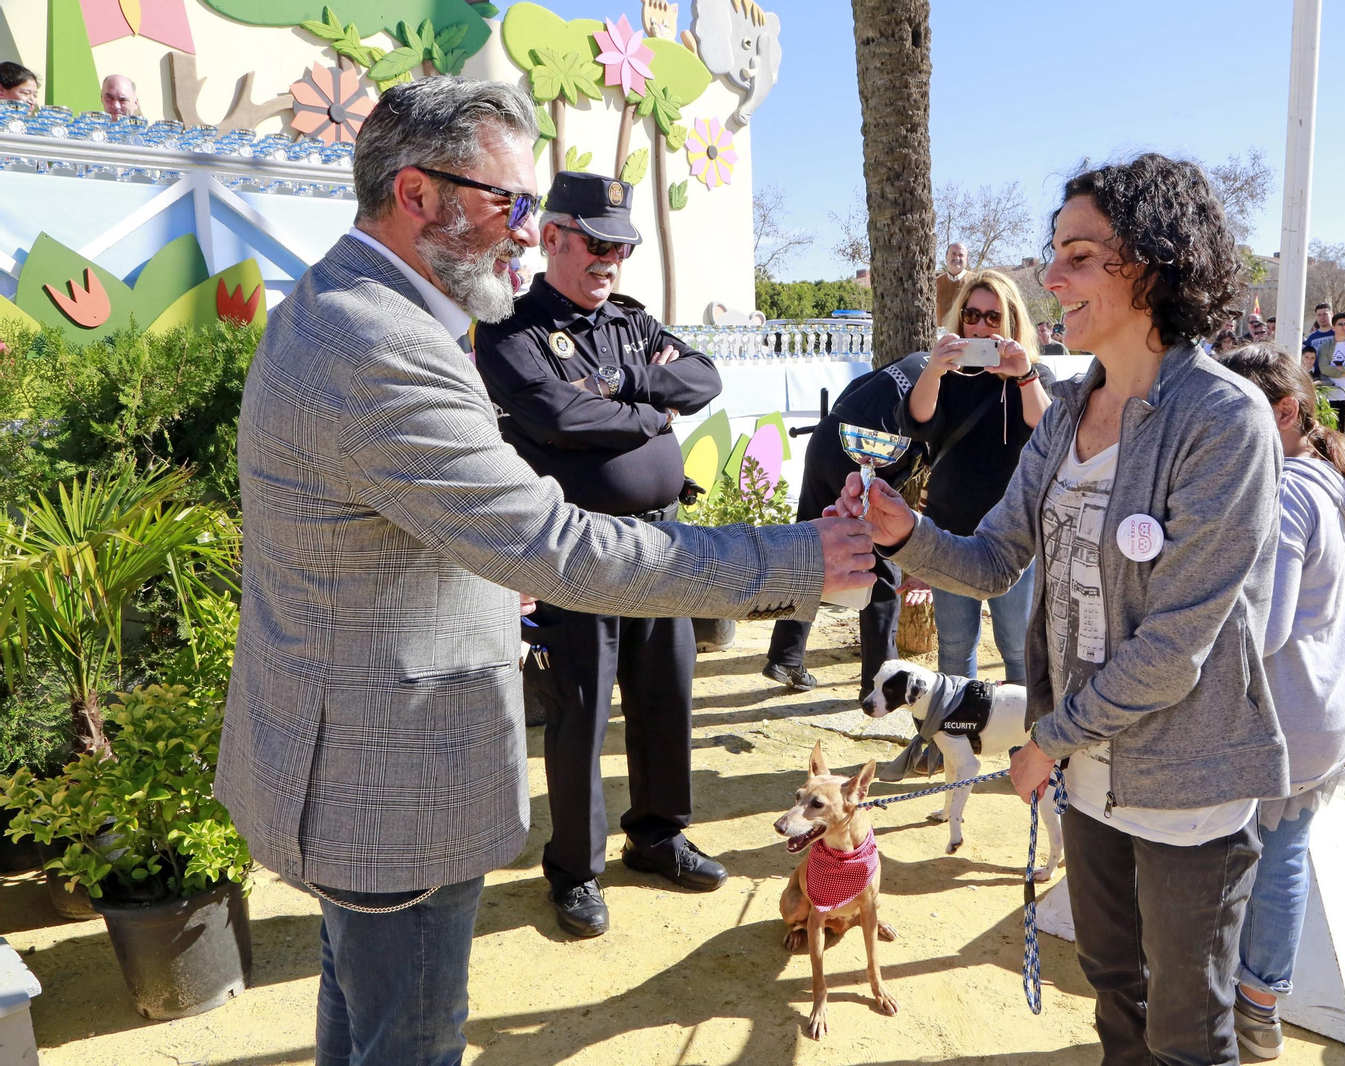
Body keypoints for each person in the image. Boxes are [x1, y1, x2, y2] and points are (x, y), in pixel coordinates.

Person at [216, 78, 876, 1066]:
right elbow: (561, 544)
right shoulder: (379, 340)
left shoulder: (352, 303)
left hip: (355, 759)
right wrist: (802, 557)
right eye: (510, 203)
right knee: (408, 1042)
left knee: (360, 1024)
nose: (528, 233)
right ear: (416, 194)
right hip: (387, 783)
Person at [840, 153, 1289, 1065]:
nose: (1050, 277)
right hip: (1086, 776)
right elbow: (996, 558)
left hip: (1184, 787)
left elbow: (1174, 646)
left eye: (1081, 255)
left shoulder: (1223, 419)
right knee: (1113, 990)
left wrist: (1048, 737)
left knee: (1186, 1029)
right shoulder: (1066, 410)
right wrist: (902, 531)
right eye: (1055, 253)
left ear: (1154, 267)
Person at [474, 170, 736, 939]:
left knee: (667, 696)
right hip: (576, 549)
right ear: (552, 237)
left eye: (620, 247)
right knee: (580, 714)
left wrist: (627, 384)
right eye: (595, 243)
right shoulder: (512, 330)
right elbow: (554, 414)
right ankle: (576, 871)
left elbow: (704, 377)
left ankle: (658, 836)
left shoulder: (629, 322)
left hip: (660, 542)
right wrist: (651, 418)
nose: (609, 260)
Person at [1213, 345, 1345, 1060]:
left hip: (1290, 716)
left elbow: (1268, 625)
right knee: (1283, 851)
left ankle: (1250, 1004)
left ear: (1284, 412)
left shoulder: (1285, 490)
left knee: (1266, 857)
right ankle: (1256, 1003)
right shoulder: (1327, 474)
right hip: (1328, 704)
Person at [900, 268, 1054, 684]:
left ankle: (1024, 744)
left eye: (992, 316)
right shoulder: (947, 375)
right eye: (972, 315)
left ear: (1011, 321)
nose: (981, 326)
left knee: (1018, 649)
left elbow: (1050, 432)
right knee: (955, 645)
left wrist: (1022, 374)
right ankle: (956, 740)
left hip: (1016, 536)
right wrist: (933, 369)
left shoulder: (1035, 375)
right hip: (952, 532)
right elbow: (916, 421)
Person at [763, 354, 930, 697]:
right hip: (865, 455)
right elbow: (941, 477)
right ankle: (879, 683)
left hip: (830, 435)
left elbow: (858, 386)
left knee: (811, 550)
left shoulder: (921, 360)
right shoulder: (958, 385)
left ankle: (786, 655)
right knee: (880, 566)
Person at [1312, 312, 1345, 429]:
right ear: (1333, 327)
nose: (1344, 327)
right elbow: (1324, 368)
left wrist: (1339, 369)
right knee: (1330, 429)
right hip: (1330, 394)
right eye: (1340, 324)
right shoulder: (1325, 346)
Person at [934, 241, 971, 323]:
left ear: (967, 259)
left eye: (961, 255)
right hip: (940, 334)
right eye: (953, 254)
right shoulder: (934, 284)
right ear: (946, 257)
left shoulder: (976, 282)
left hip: (967, 334)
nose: (957, 258)